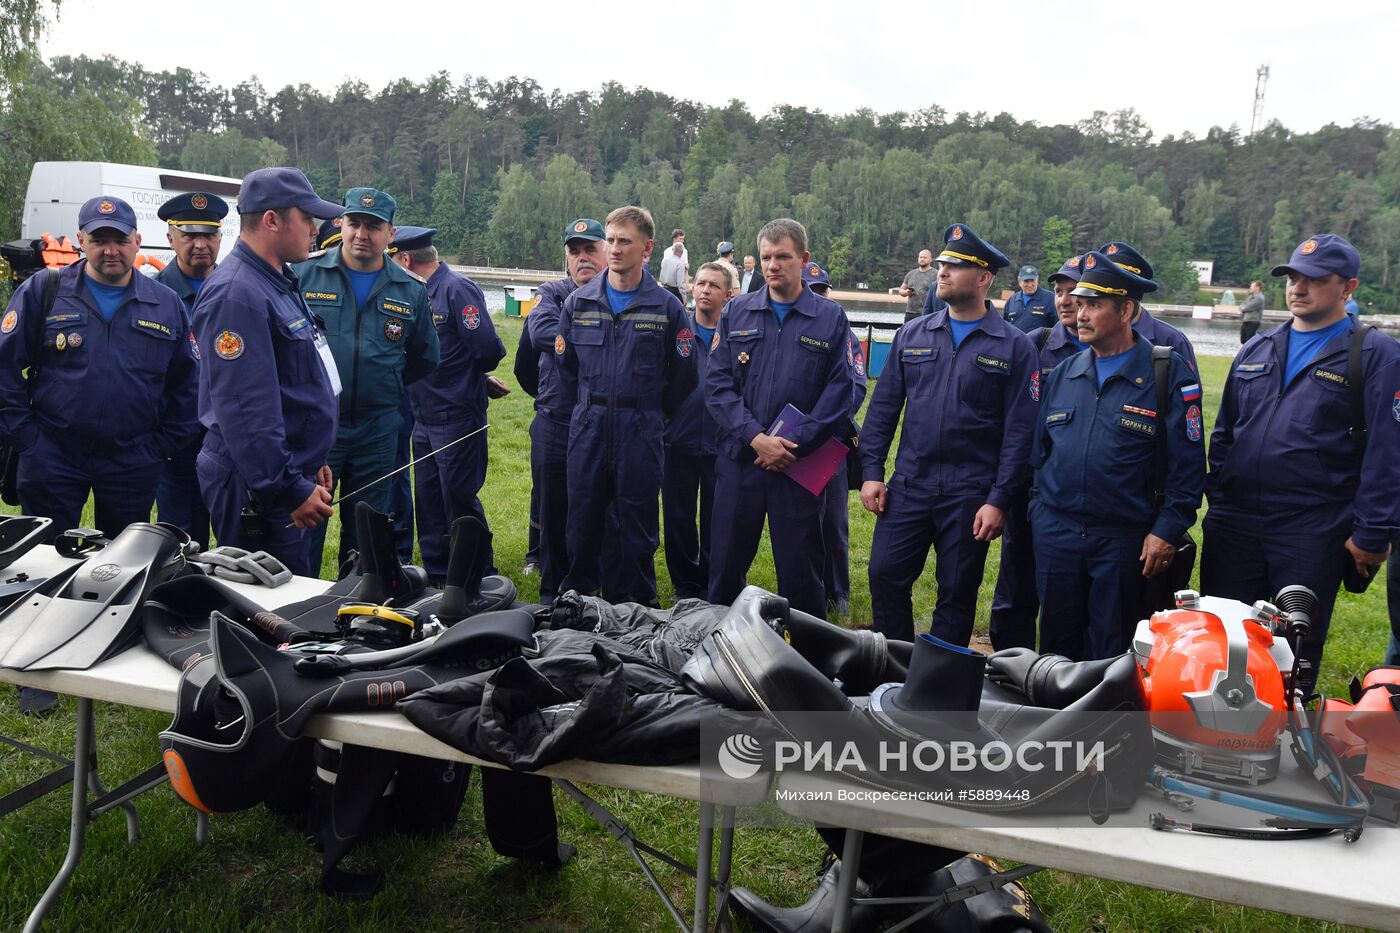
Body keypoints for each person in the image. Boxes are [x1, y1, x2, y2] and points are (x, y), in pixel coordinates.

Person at [0, 195, 199, 717]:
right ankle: (33, 669)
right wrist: (28, 439)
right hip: (54, 452)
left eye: (120, 238)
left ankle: (107, 662)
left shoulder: (165, 304)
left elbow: (188, 385)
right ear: (82, 240)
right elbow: (4, 371)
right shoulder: (42, 290)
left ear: (138, 242)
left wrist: (159, 445)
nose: (110, 249)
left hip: (131, 458)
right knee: (43, 562)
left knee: (123, 565)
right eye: (99, 238)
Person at [1202, 233, 1400, 677]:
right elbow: (1224, 434)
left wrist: (1371, 533)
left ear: (1348, 288)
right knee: (1223, 641)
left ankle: (1285, 739)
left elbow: (1388, 453)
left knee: (1291, 649)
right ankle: (1213, 739)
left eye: (1314, 278)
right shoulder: (1257, 347)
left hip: (1310, 527)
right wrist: (1220, 499)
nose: (1298, 287)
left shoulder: (1376, 355)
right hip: (1235, 524)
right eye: (1292, 276)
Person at [860, 224, 1037, 645]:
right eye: (942, 264)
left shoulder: (1013, 346)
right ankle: (895, 670)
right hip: (910, 484)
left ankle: (938, 689)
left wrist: (998, 500)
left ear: (983, 278)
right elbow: (883, 409)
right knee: (884, 575)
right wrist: (870, 471)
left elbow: (1020, 432)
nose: (942, 272)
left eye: (955, 266)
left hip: (969, 492)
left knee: (956, 594)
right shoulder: (913, 334)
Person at [1030, 251, 1204, 660]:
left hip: (1125, 542)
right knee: (1055, 649)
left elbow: (1189, 467)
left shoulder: (1167, 373)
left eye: (1094, 304)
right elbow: (1040, 455)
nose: (1080, 312)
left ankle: (1104, 726)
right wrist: (1041, 516)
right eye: (1080, 302)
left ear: (1126, 310)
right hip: (1058, 535)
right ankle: (1055, 722)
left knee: (1114, 652)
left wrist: (1165, 530)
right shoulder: (1064, 374)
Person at [192, 167, 342, 578]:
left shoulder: (277, 281)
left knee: (293, 593)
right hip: (257, 483)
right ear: (272, 220)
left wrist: (313, 460)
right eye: (306, 217)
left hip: (285, 469)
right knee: (266, 604)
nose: (316, 228)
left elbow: (297, 380)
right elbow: (245, 409)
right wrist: (289, 487)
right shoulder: (237, 294)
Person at [707, 218, 857, 617]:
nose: (773, 266)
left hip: (798, 464)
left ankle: (807, 657)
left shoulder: (830, 318)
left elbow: (841, 392)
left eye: (783, 257)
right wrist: (757, 438)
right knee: (724, 566)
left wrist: (793, 443)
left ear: (803, 260)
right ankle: (711, 654)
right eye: (767, 257)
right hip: (743, 461)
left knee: (803, 570)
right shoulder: (737, 312)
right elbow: (718, 386)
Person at [556, 206, 698, 605]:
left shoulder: (667, 308)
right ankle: (579, 604)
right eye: (612, 241)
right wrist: (588, 408)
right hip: (589, 426)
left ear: (648, 248)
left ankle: (635, 607)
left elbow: (684, 375)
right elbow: (567, 370)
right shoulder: (580, 303)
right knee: (582, 518)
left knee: (636, 524)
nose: (615, 250)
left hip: (641, 427)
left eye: (625, 242)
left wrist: (652, 412)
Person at [294, 188, 439, 575]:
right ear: (341, 224)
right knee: (305, 526)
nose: (362, 233)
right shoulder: (303, 274)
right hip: (317, 427)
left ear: (391, 234)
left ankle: (353, 610)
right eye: (354, 223)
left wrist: (385, 381)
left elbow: (425, 357)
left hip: (377, 429)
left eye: (373, 226)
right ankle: (297, 609)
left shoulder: (409, 289)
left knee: (368, 530)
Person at [389, 226, 506, 583]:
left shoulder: (456, 288)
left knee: (458, 498)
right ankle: (439, 575)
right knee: (428, 500)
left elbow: (488, 350)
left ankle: (478, 572)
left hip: (455, 414)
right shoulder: (414, 292)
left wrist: (470, 378)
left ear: (406, 259)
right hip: (421, 414)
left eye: (393, 260)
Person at [986, 253, 1086, 650]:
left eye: (1074, 293)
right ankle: (1009, 663)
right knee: (1016, 580)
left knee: (1070, 596)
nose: (1064, 301)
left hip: (1081, 498)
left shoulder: (1119, 352)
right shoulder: (1037, 344)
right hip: (1029, 489)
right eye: (1059, 291)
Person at [522, 218, 608, 603]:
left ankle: (596, 590)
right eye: (575, 251)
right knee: (552, 508)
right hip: (557, 418)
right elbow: (541, 334)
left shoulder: (619, 295)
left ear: (606, 251)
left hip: (602, 421)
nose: (583, 258)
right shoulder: (551, 292)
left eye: (590, 248)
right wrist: (598, 334)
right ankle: (550, 595)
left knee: (601, 509)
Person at [154, 191, 229, 550]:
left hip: (230, 437)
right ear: (171, 238)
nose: (201, 244)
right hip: (176, 440)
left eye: (209, 235)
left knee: (237, 540)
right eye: (189, 235)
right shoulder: (152, 295)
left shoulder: (236, 287)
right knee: (177, 540)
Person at [661, 261, 730, 599]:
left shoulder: (736, 336)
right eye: (700, 283)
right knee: (678, 519)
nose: (705, 290)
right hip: (679, 441)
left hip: (722, 444)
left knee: (719, 520)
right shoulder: (678, 331)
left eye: (713, 285)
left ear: (728, 294)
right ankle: (685, 586)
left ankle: (714, 584)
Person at [804, 262, 868, 615]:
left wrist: (819, 424)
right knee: (797, 521)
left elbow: (855, 387)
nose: (817, 295)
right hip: (790, 440)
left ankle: (837, 592)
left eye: (821, 289)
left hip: (828, 441)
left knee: (832, 521)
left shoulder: (843, 332)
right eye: (809, 289)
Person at [1098, 241, 1198, 372]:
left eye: (1120, 282)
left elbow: (1188, 390)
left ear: (1137, 286)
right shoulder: (1088, 333)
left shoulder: (1171, 340)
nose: (1110, 290)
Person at [1002, 264, 1056, 333]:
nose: (1030, 285)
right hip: (1016, 343)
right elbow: (1005, 326)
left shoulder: (1050, 298)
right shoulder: (1012, 300)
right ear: (1019, 281)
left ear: (1037, 280)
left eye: (1032, 280)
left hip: (1039, 343)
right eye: (1026, 281)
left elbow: (1058, 327)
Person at [897, 249, 936, 323]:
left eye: (925, 257)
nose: (922, 259)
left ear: (930, 260)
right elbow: (901, 290)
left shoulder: (936, 274)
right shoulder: (911, 274)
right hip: (910, 312)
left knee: (923, 334)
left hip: (926, 313)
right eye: (920, 257)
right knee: (908, 334)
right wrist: (906, 292)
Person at [1239, 279, 1266, 344]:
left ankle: (1250, 353)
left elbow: (1248, 307)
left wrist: (1243, 308)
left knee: (1249, 340)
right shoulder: (1250, 297)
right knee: (1243, 339)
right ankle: (1245, 353)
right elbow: (1242, 305)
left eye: (1252, 286)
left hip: (1253, 321)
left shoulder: (1259, 298)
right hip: (1246, 320)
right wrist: (1242, 308)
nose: (1250, 287)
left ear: (1257, 287)